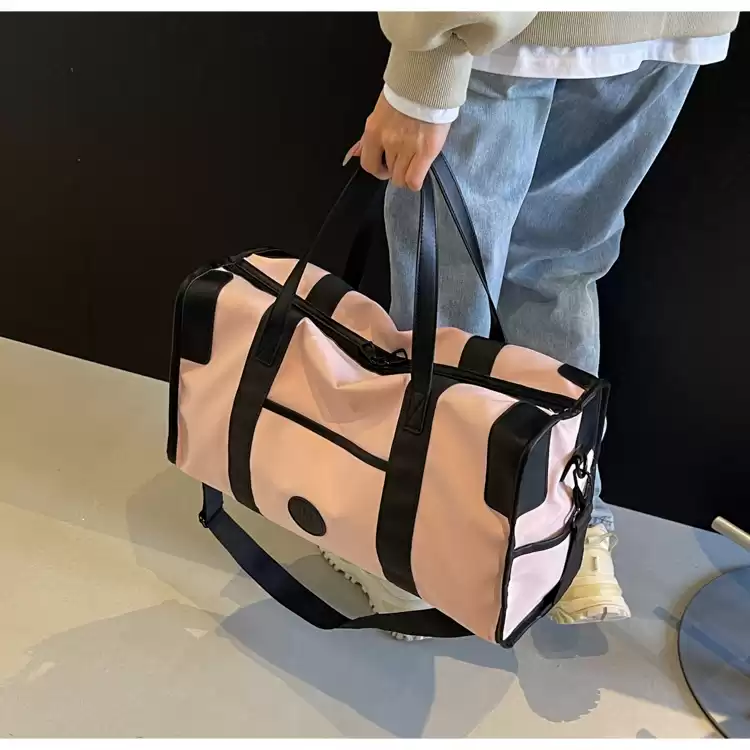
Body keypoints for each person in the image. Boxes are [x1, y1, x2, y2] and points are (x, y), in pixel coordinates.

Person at [326, 10, 740, 638]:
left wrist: (423, 74)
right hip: (672, 22)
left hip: (521, 26)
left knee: (451, 272)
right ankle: (564, 531)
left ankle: (423, 550)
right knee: (559, 266)